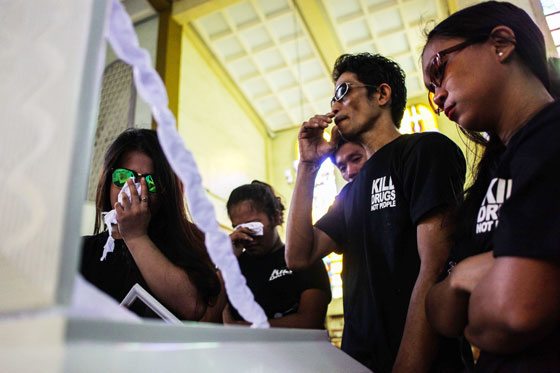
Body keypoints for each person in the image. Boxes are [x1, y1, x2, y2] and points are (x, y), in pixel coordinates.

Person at [285, 53, 466, 372]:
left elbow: (434, 267)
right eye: (332, 98)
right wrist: (308, 166)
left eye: (343, 91)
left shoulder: (423, 151)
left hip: (424, 362)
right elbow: (299, 255)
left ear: (382, 94)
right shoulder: (348, 194)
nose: (334, 106)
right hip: (359, 360)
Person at [422, 1, 560, 370]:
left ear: (501, 43)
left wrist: (465, 279)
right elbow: (441, 315)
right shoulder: (492, 173)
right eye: (430, 90)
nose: (436, 96)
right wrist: (464, 277)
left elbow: (513, 312)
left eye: (439, 69)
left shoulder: (550, 137)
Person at [81, 129, 225, 322]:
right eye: (123, 177)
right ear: (108, 180)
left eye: (150, 182)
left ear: (165, 190)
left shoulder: (188, 241)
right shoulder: (82, 250)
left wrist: (135, 236)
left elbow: (194, 307)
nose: (133, 189)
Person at [223, 180, 331, 329]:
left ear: (276, 217)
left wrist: (242, 327)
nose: (247, 236)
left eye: (253, 226)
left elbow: (310, 321)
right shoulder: (233, 266)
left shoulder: (303, 260)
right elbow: (209, 315)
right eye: (239, 228)